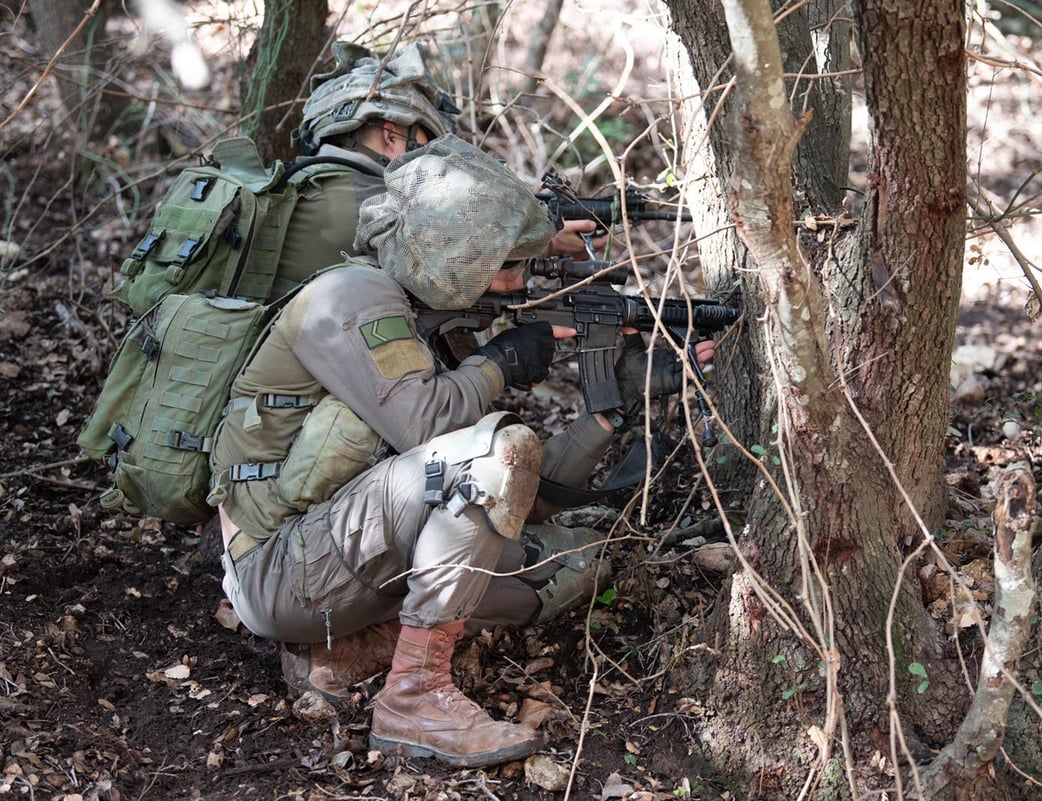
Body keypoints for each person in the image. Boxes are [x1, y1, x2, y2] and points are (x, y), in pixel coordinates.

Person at [209, 136, 709, 767]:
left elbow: (519, 496)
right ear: (452, 258)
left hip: (347, 553)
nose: (518, 280)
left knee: (573, 568)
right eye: (504, 264)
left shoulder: (425, 318)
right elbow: (438, 437)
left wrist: (607, 416)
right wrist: (499, 363)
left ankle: (365, 641)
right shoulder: (351, 298)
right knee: (489, 457)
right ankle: (413, 699)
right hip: (280, 569)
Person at [271, 40, 601, 300]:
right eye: (426, 140)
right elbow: (482, 274)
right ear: (391, 134)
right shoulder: (376, 207)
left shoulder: (279, 188)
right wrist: (547, 243)